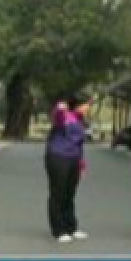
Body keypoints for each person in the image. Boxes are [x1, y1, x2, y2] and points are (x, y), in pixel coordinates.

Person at [44, 93, 92, 244]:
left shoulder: (80, 120)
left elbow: (79, 144)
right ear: (78, 105)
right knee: (58, 193)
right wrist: (60, 109)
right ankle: (59, 230)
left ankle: (71, 227)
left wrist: (81, 164)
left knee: (70, 194)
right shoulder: (64, 116)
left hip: (73, 159)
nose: (88, 107)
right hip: (58, 157)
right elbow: (58, 119)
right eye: (87, 104)